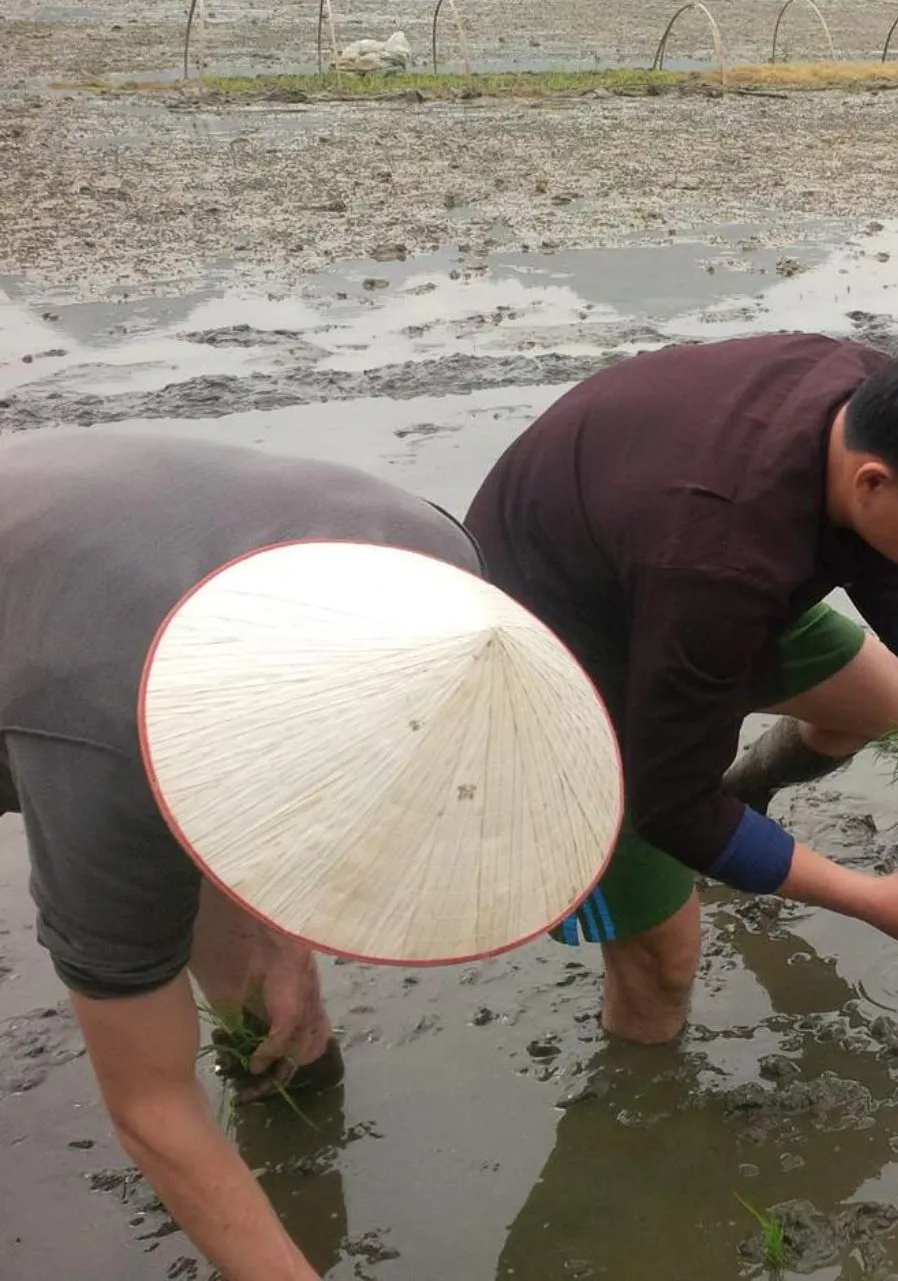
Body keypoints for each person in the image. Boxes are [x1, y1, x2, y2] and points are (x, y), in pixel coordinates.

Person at [0, 432, 621, 1281]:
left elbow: (285, 790)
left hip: (103, 574)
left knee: (271, 1002)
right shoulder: (103, 748)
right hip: (57, 649)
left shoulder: (443, 578)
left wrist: (284, 934)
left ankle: (282, 1099)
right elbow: (150, 1104)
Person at [465, 330, 898, 1045]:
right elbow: (669, 806)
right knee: (665, 962)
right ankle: (644, 1100)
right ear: (872, 481)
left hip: (661, 578)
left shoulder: (864, 393)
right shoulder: (722, 563)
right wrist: (869, 899)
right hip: (557, 648)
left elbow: (880, 546)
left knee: (889, 704)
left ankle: (740, 807)